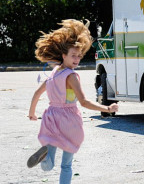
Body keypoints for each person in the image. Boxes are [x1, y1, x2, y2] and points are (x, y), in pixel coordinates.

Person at [27, 19, 118, 183]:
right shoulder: (71, 76)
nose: (76, 59)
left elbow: (37, 93)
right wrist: (107, 108)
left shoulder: (54, 72)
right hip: (68, 121)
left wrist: (32, 113)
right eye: (73, 56)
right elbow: (83, 102)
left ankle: (45, 157)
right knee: (66, 166)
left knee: (49, 164)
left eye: (79, 56)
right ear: (64, 55)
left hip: (51, 117)